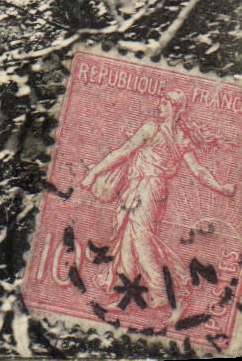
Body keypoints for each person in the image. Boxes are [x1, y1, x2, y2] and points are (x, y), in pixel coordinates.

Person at [80, 90, 236, 320]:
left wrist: (93, 173)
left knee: (141, 240)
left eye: (165, 103)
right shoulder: (167, 132)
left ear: (176, 108)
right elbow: (125, 153)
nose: (160, 106)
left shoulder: (159, 131)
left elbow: (196, 171)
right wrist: (94, 172)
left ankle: (170, 293)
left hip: (150, 190)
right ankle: (126, 298)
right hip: (141, 190)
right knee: (128, 241)